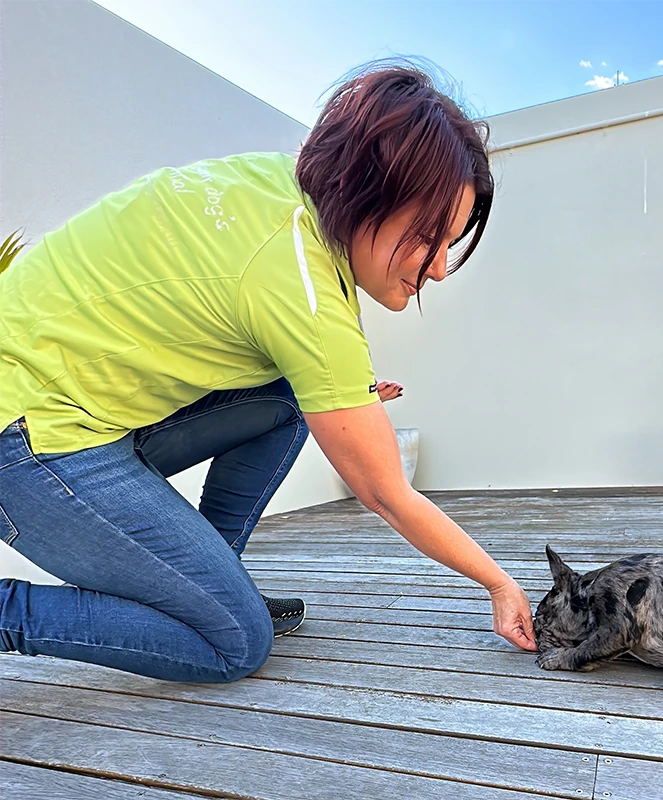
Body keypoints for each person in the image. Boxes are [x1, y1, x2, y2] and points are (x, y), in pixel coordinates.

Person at [0, 61, 537, 685]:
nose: (439, 268)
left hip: (64, 406)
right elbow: (387, 492)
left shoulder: (275, 189)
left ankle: (208, 581)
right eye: (425, 237)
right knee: (235, 642)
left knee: (287, 396)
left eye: (451, 241)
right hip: (29, 442)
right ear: (368, 193)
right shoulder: (302, 289)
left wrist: (343, 396)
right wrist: (499, 582)